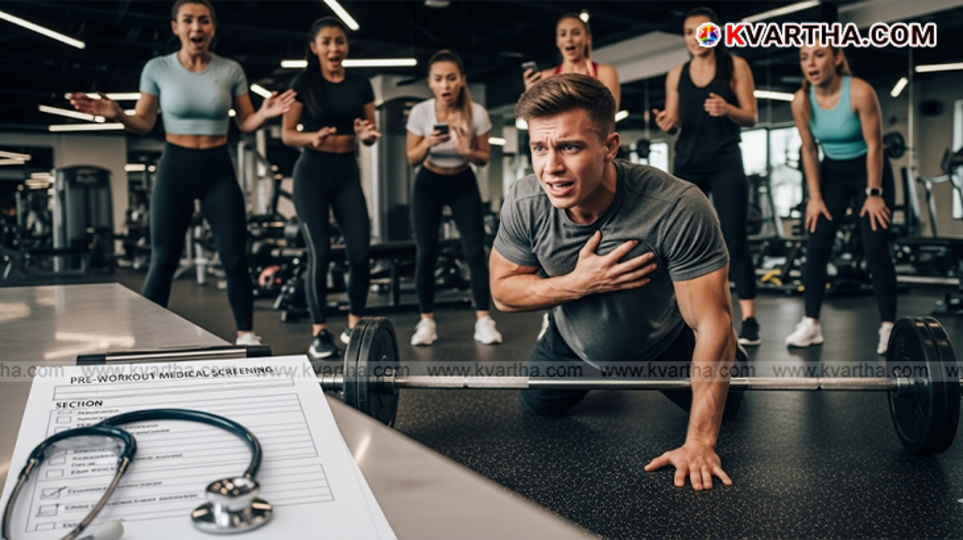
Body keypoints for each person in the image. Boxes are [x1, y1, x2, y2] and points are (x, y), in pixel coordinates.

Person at [491, 73, 745, 490]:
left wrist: (699, 441)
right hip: (571, 343)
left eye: (569, 147)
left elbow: (711, 323)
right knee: (537, 404)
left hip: (666, 343)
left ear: (610, 147)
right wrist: (579, 283)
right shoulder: (525, 201)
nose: (550, 167)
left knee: (730, 405)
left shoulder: (676, 206)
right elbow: (502, 291)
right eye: (539, 147)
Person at [69, 0, 295, 345]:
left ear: (213, 28)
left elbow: (247, 122)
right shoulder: (157, 68)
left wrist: (265, 114)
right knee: (164, 258)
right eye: (188, 20)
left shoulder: (231, 70)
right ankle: (146, 336)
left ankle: (246, 334)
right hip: (176, 165)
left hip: (219, 167)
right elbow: (144, 122)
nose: (196, 28)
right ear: (175, 27)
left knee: (235, 256)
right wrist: (118, 114)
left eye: (204, 21)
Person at [652, 7, 761, 346]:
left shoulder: (735, 66)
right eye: (689, 32)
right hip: (687, 164)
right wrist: (667, 123)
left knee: (734, 239)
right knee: (679, 242)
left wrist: (728, 109)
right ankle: (681, 317)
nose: (695, 38)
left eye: (702, 31)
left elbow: (752, 116)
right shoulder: (676, 74)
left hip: (726, 162)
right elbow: (674, 119)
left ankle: (750, 319)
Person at [785, 45, 896, 355]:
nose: (810, 63)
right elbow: (808, 149)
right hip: (832, 172)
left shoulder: (860, 92)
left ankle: (888, 326)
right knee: (816, 244)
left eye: (818, 55)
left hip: (870, 170)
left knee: (875, 245)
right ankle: (811, 324)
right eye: (804, 57)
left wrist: (874, 194)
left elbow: (875, 146)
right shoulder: (801, 100)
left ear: (836, 58)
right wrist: (814, 197)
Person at [281, 17, 380, 360]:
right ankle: (319, 331)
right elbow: (288, 133)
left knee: (360, 253)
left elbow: (369, 131)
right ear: (314, 48)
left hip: (346, 172)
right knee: (319, 252)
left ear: (346, 46)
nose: (334, 48)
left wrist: (367, 136)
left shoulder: (361, 84)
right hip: (312, 173)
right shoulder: (303, 82)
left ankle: (353, 323)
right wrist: (312, 137)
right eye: (326, 42)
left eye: (340, 41)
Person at [406, 50, 502, 346]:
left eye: (450, 78)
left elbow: (484, 158)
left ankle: (483, 320)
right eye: (438, 79)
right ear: (430, 83)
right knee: (426, 253)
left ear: (461, 80)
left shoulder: (477, 113)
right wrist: (427, 143)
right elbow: (411, 158)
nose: (445, 85)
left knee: (474, 251)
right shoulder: (420, 113)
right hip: (428, 183)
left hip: (462, 181)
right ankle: (426, 322)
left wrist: (467, 152)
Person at [523, 13, 620, 107]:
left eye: (576, 33)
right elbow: (537, 116)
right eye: (563, 34)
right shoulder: (545, 77)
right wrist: (531, 97)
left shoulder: (606, 72)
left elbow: (611, 111)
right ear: (557, 41)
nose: (569, 39)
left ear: (587, 39)